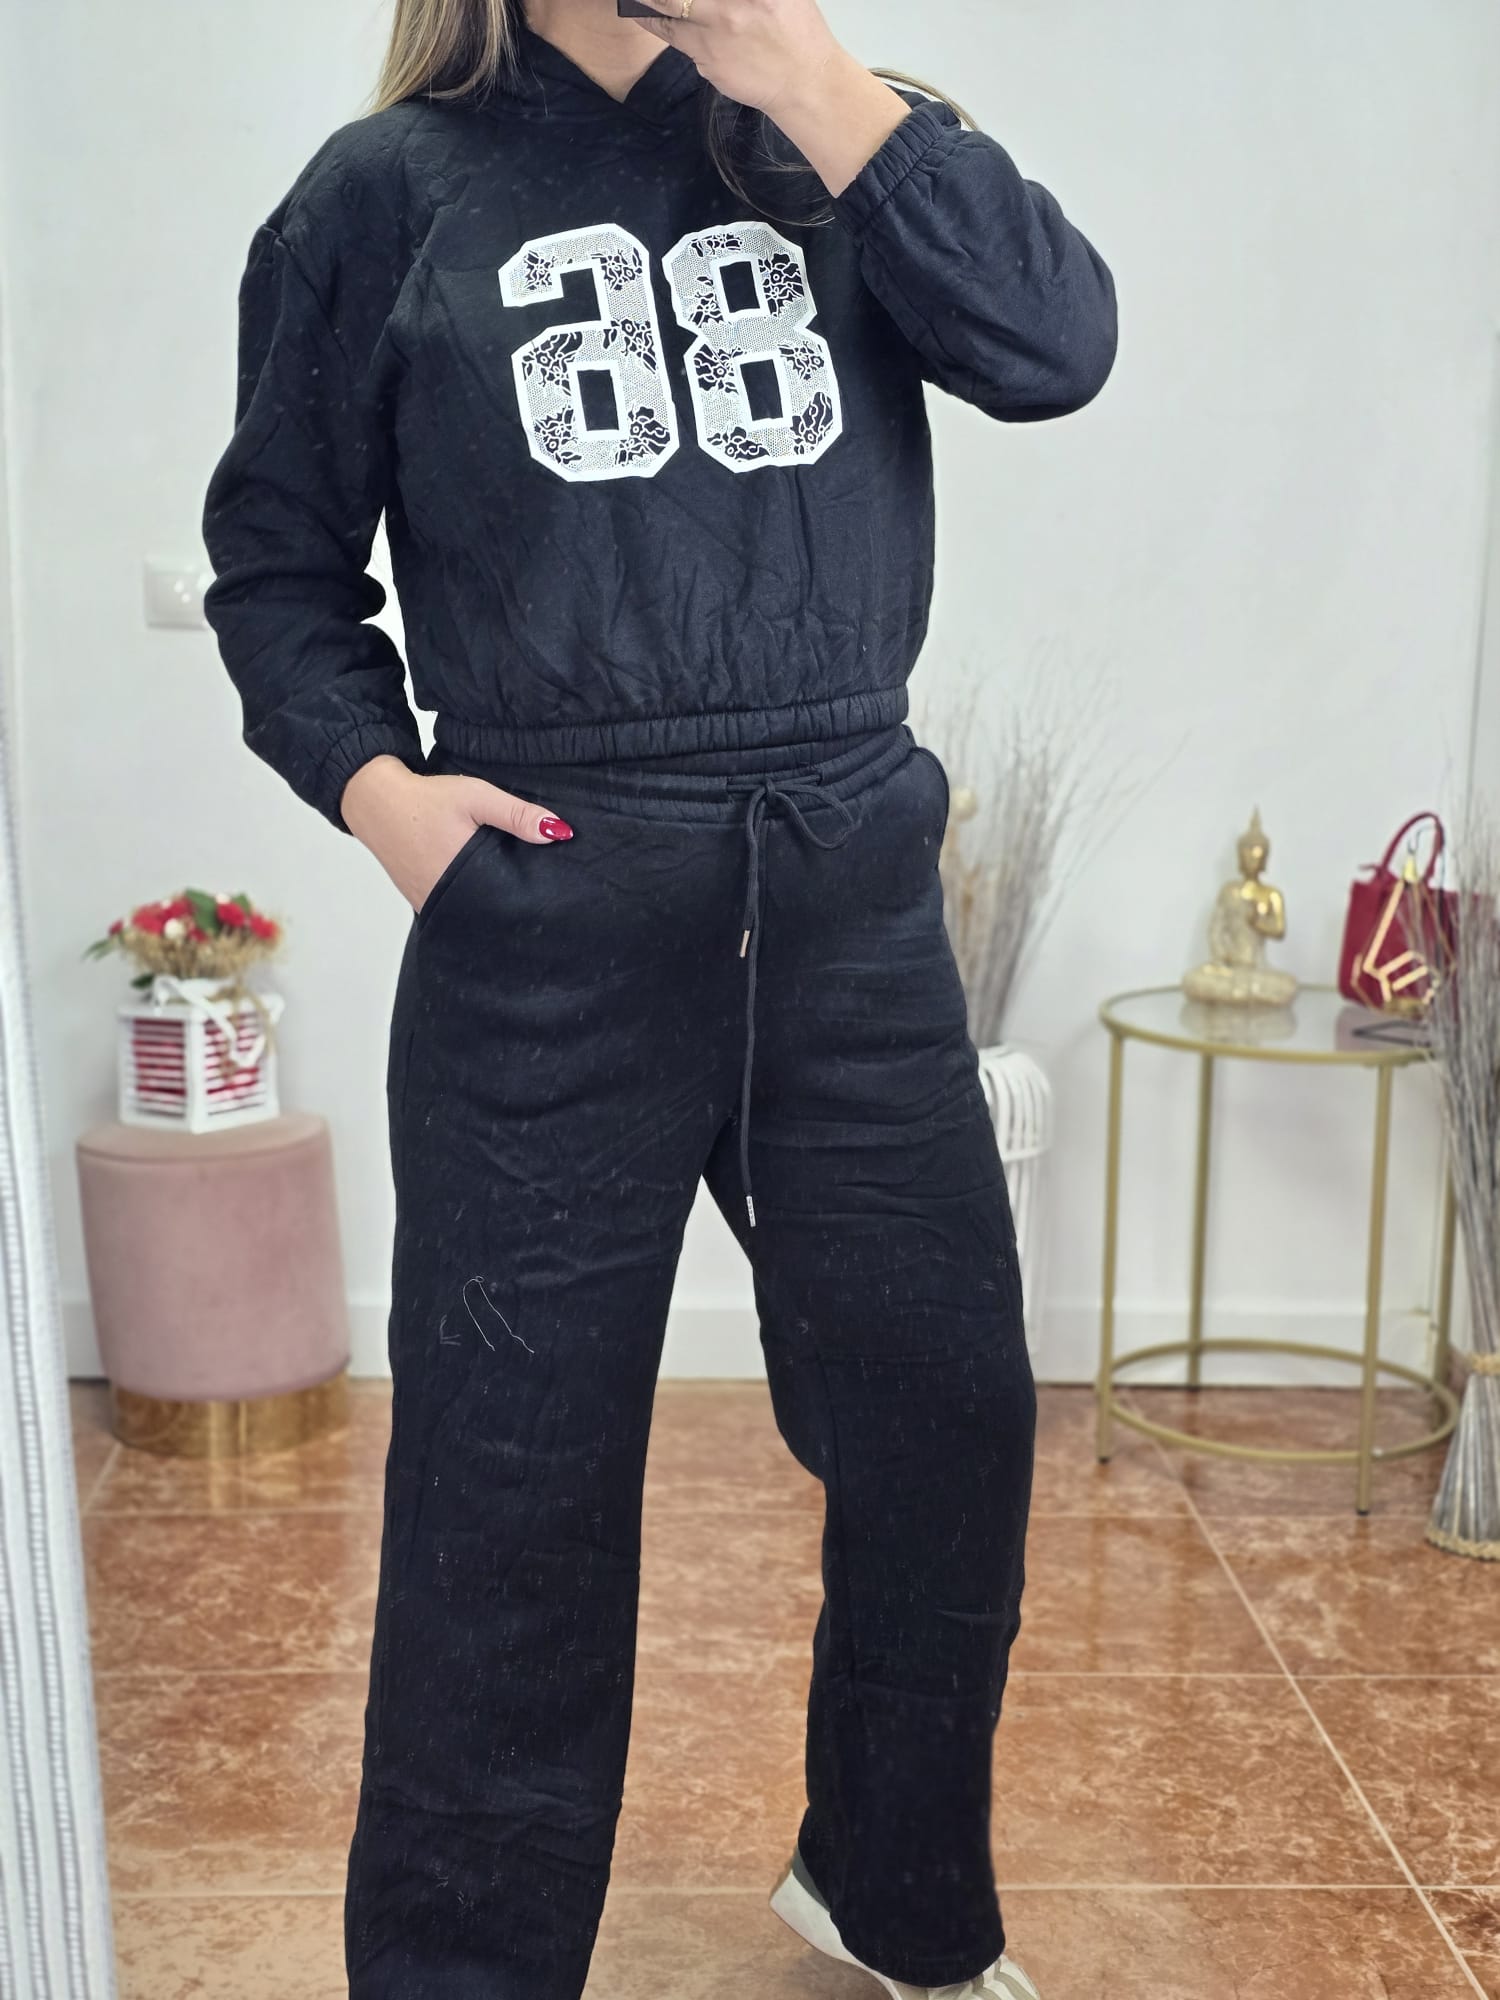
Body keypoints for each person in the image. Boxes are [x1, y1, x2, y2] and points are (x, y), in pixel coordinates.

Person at [200, 1, 1117, 1994]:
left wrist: (820, 83)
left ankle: (890, 1895)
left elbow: (1057, 347)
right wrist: (384, 795)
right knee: (506, 1511)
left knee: (948, 1424)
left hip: (853, 918)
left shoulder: (849, 136)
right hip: (548, 929)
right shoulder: (384, 196)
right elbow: (274, 561)